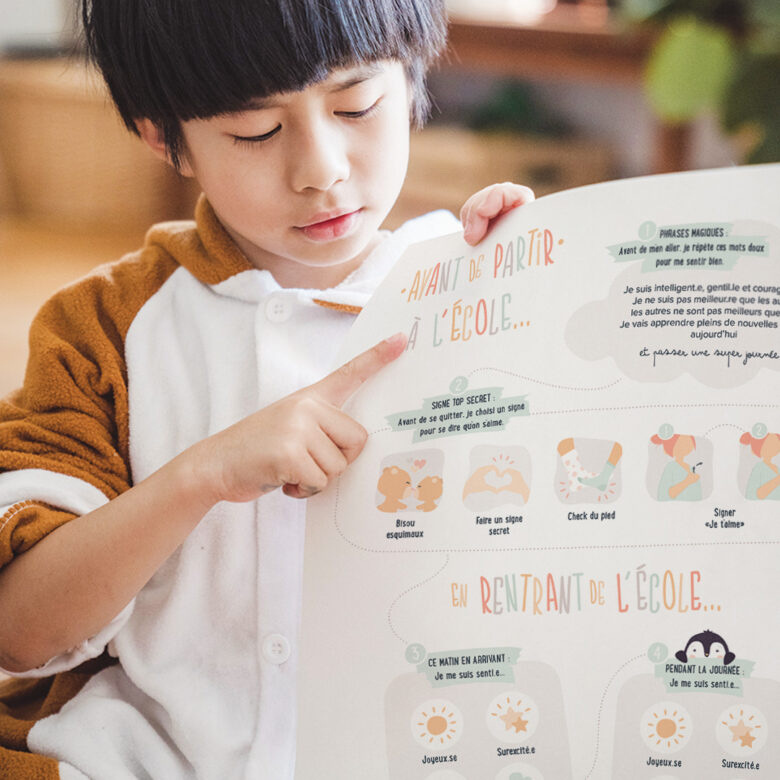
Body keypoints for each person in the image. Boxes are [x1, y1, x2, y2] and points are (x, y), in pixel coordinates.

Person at [0, 1, 534, 777]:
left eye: (357, 104)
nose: (321, 169)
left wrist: (542, 280)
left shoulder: (465, 288)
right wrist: (203, 476)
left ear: (413, 78)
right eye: (254, 130)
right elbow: (22, 631)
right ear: (161, 136)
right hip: (141, 758)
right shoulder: (104, 330)